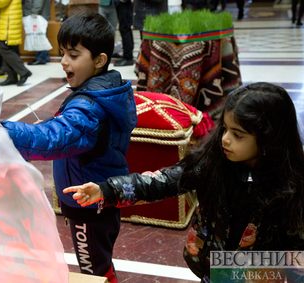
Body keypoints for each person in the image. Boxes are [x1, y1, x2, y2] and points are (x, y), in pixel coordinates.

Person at [64, 82, 304, 282]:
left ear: (269, 139)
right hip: (212, 266)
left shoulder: (292, 185)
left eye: (238, 135)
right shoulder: (212, 161)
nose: (225, 140)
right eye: (224, 129)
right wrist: (106, 190)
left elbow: (297, 250)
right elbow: (163, 181)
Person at [0, 12, 137, 283]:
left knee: (93, 269)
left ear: (99, 60)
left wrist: (0, 132)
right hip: (97, 197)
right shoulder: (103, 90)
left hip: (90, 204)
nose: (63, 62)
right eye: (62, 53)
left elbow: (54, 138)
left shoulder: (90, 107)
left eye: (73, 55)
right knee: (99, 261)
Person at [0, 0, 32, 86]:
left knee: (4, 48)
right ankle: (12, 77)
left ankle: (23, 71)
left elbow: (1, 1)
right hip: (6, 20)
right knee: (6, 48)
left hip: (8, 21)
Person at [23, 0, 51, 66]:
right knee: (40, 35)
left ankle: (41, 58)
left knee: (39, 35)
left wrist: (35, 11)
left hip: (38, 14)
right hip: (39, 13)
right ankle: (44, 57)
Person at [114, 0, 134, 66]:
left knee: (125, 28)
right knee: (125, 28)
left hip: (124, 3)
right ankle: (128, 55)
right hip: (122, 3)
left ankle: (128, 57)